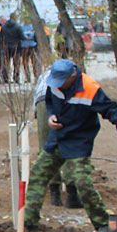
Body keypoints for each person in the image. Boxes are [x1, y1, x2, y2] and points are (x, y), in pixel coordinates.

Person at [24, 59, 117, 232]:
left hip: (79, 140)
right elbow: (49, 102)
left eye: (61, 82)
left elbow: (110, 109)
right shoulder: (55, 84)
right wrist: (51, 116)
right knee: (38, 173)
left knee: (82, 181)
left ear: (73, 76)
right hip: (57, 137)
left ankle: (104, 225)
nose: (57, 85)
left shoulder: (90, 88)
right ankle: (29, 223)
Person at [32, 66, 82, 209]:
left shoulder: (43, 75)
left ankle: (55, 195)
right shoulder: (74, 76)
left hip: (41, 103)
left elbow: (35, 99)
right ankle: (71, 195)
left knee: (47, 148)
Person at [1, 15, 25, 83]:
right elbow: (22, 37)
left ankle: (5, 78)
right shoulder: (18, 26)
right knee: (16, 64)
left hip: (6, 47)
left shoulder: (4, 26)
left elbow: (1, 37)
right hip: (16, 47)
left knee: (6, 63)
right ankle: (16, 78)